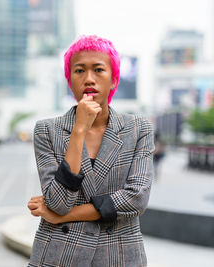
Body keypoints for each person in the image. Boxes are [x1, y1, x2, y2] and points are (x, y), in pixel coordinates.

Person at [27, 35, 154, 267]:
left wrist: (64, 217)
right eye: (79, 71)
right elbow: (58, 201)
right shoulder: (47, 130)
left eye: (98, 70)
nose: (88, 79)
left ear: (114, 80)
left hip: (120, 255)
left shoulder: (138, 129)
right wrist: (78, 130)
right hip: (60, 255)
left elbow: (136, 199)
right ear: (69, 80)